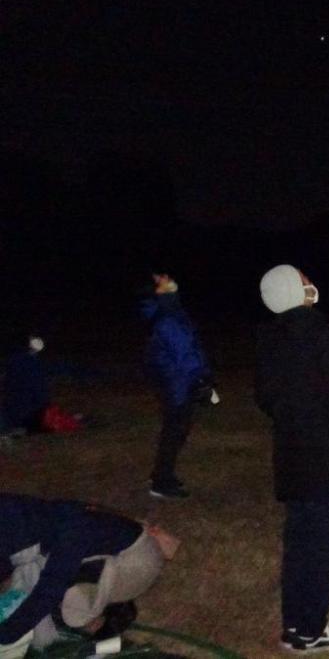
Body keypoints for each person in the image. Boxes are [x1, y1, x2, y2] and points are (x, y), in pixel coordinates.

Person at [255, 264, 329, 654]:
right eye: (302, 279)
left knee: (299, 545)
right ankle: (309, 631)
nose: (309, 281)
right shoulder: (320, 333)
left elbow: (264, 397)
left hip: (291, 455)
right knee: (324, 549)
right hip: (326, 458)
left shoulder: (268, 335)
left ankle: (295, 624)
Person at [0, 493, 176, 651]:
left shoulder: (70, 531)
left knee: (72, 612)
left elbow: (49, 589)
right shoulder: (20, 519)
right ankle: (94, 588)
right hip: (88, 550)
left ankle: (109, 604)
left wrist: (7, 634)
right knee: (32, 581)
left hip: (137, 561)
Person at [140, 272, 213, 499]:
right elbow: (184, 354)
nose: (169, 280)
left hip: (178, 383)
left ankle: (162, 476)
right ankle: (161, 481)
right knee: (175, 432)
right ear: (156, 291)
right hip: (177, 385)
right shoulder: (167, 318)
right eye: (162, 280)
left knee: (176, 431)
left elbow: (191, 347)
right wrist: (201, 380)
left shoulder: (171, 312)